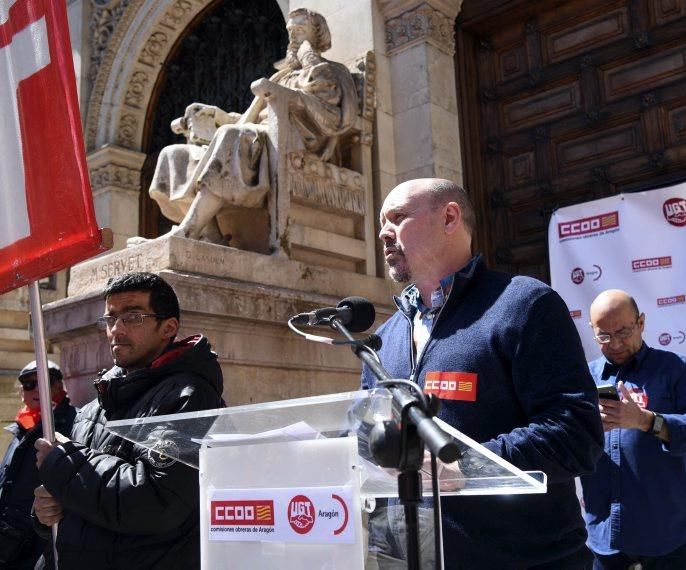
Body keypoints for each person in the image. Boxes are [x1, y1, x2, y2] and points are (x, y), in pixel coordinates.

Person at [361, 178, 604, 568]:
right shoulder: (384, 339)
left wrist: (462, 467)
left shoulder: (524, 304)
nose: (383, 232)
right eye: (381, 222)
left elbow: (575, 433)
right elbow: (367, 437)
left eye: (397, 217)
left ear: (450, 217)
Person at [32, 272, 225, 569]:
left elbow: (157, 501)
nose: (116, 330)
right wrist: (48, 512)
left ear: (168, 327)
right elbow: (81, 502)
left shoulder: (189, 395)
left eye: (132, 317)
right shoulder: (93, 407)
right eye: (110, 319)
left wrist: (65, 464)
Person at [146, 7, 358, 244]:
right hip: (261, 135)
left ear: (317, 34)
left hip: (297, 141)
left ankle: (188, 230)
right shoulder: (280, 76)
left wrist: (309, 62)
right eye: (290, 31)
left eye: (301, 30)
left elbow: (334, 114)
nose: (294, 36)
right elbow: (253, 117)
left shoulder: (332, 72)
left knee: (233, 136)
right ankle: (210, 232)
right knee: (174, 154)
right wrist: (219, 116)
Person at [581, 289, 686, 570]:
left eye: (623, 332)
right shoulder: (583, 378)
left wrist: (647, 421)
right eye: (604, 336)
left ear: (641, 323)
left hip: (668, 540)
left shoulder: (675, 369)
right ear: (592, 331)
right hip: (605, 542)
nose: (615, 343)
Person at [0, 361, 75, 569]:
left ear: (59, 386)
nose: (35, 389)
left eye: (43, 382)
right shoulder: (21, 426)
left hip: (39, 543)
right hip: (9, 541)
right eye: (27, 384)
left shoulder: (71, 423)